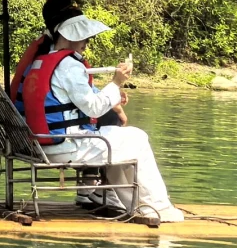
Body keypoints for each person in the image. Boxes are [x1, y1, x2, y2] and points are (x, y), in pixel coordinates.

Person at [20, 12, 185, 223]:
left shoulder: (41, 61)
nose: (87, 44)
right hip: (66, 147)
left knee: (123, 141)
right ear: (71, 36)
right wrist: (116, 83)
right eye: (85, 38)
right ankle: (159, 207)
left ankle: (138, 206)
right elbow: (94, 109)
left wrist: (111, 94)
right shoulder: (69, 66)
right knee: (139, 139)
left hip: (43, 144)